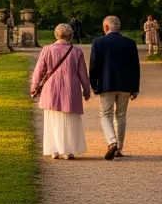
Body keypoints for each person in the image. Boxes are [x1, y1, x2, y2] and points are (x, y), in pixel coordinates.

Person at [32, 23, 90, 159]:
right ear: (70, 35)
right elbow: (83, 74)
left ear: (56, 34)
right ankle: (68, 150)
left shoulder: (47, 50)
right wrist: (87, 90)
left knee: (52, 119)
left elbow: (39, 71)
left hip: (51, 89)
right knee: (70, 119)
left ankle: (54, 149)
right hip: (70, 89)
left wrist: (34, 87)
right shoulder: (76, 51)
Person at [89, 15, 141, 160]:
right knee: (121, 115)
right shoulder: (130, 43)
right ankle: (119, 148)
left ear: (106, 27)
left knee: (105, 114)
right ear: (119, 27)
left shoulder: (98, 42)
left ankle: (112, 141)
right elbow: (135, 67)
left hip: (105, 84)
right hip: (125, 85)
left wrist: (94, 84)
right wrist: (135, 88)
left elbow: (94, 66)